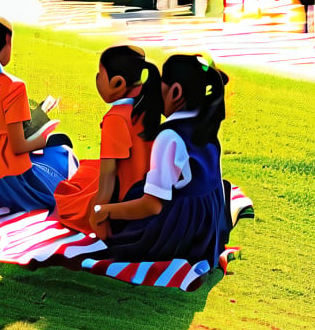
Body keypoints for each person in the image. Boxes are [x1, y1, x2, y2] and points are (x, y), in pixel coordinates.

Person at [90, 54, 231, 271]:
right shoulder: (206, 127)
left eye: (161, 85)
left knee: (124, 222)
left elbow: (152, 205)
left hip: (181, 229)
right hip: (208, 226)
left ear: (175, 92)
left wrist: (105, 210)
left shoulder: (168, 137)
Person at [0, 16, 76, 212]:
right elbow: (19, 147)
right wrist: (44, 138)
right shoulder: (13, 86)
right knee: (62, 150)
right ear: (7, 40)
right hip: (5, 184)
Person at [53, 45, 159, 235]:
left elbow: (108, 180)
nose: (96, 79)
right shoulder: (146, 107)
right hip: (146, 187)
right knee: (89, 174)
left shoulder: (115, 119)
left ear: (117, 83)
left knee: (69, 203)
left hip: (124, 198)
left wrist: (98, 217)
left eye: (100, 74)